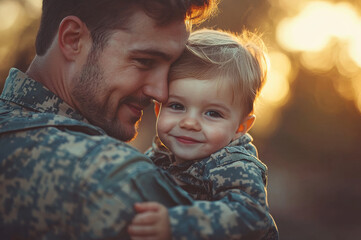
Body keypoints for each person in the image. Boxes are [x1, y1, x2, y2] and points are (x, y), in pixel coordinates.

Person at [0, 0, 217, 239]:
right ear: (73, 39)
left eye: (172, 68)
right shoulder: (118, 180)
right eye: (145, 61)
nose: (161, 93)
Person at [127, 29, 279, 239]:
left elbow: (251, 218)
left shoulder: (234, 165)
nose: (189, 123)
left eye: (212, 113)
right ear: (158, 110)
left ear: (240, 128)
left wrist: (176, 223)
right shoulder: (157, 157)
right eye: (177, 106)